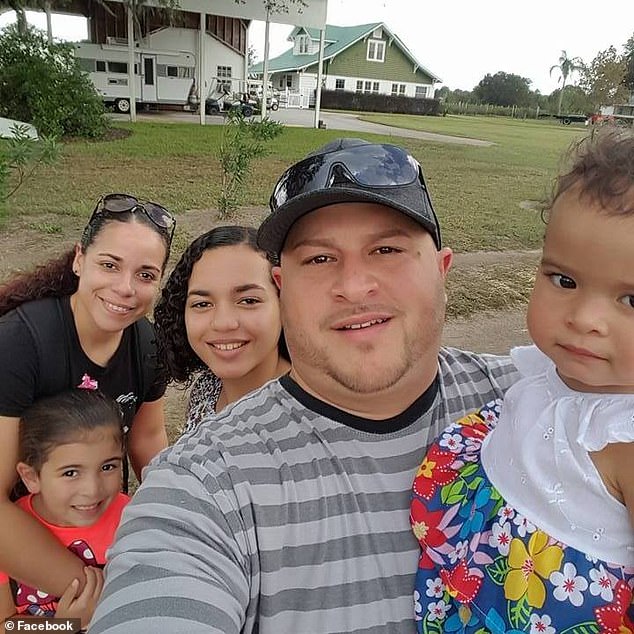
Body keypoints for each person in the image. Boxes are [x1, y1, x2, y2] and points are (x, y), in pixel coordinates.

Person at [90, 138, 518, 634]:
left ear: (442, 270)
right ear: (282, 285)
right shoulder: (203, 482)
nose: (355, 286)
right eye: (318, 259)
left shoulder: (537, 405)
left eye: (387, 249)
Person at [410, 129, 634, 631]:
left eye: (632, 300)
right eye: (565, 281)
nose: (584, 318)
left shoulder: (625, 437)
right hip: (481, 572)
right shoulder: (542, 372)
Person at [0, 193, 173, 599]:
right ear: (79, 259)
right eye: (110, 265)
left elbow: (147, 440)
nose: (125, 288)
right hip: (20, 553)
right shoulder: (20, 343)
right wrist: (93, 597)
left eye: (146, 275)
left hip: (102, 529)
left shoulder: (147, 345)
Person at [0, 389, 129, 630]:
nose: (92, 490)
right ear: (31, 477)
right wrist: (65, 625)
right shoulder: (8, 535)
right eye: (71, 473)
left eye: (108, 467)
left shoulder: (133, 519)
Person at [154, 225, 290, 435]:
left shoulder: (315, 415)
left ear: (285, 303)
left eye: (248, 300)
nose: (223, 323)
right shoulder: (206, 390)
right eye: (202, 304)